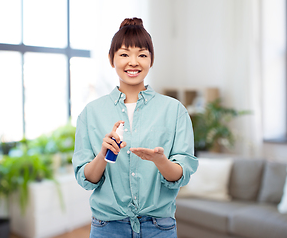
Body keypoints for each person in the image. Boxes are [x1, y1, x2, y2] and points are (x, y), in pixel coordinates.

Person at [73, 17, 198, 238]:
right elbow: (87, 179)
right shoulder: (90, 113)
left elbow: (182, 173)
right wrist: (102, 155)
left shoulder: (174, 110)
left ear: (151, 60)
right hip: (107, 227)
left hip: (159, 227)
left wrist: (161, 161)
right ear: (111, 59)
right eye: (124, 54)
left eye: (142, 54)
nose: (133, 62)